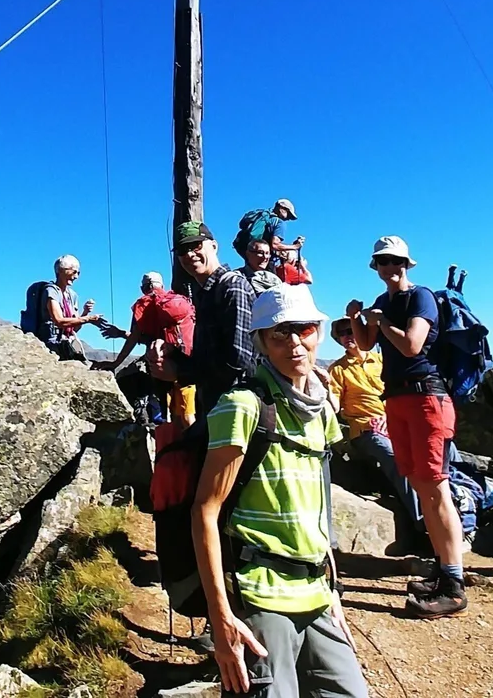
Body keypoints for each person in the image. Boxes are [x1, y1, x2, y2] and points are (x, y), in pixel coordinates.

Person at [193, 283, 367, 698]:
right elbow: (205, 510)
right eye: (279, 333)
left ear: (318, 332)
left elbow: (318, 507)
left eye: (303, 329)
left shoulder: (322, 408)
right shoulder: (243, 405)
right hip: (259, 591)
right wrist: (221, 622)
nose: (294, 342)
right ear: (261, 342)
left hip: (315, 591)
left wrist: (333, 591)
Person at [346, 236, 467, 617]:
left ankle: (454, 582)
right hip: (397, 398)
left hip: (426, 397)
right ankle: (443, 570)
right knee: (421, 484)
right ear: (376, 266)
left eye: (395, 261)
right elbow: (367, 345)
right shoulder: (383, 302)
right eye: (383, 262)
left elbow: (412, 345)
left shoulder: (422, 298)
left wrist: (382, 323)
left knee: (435, 487)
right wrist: (357, 320)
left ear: (406, 264)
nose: (389, 267)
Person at [321, 317, 422, 549]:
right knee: (398, 460)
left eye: (351, 331)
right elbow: (335, 407)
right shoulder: (337, 370)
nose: (347, 336)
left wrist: (391, 418)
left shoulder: (382, 360)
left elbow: (401, 390)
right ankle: (424, 525)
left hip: (397, 422)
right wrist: (326, 387)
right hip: (365, 431)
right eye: (342, 334)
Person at [160, 222, 258, 399]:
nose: (189, 254)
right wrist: (171, 353)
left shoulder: (232, 288)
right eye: (182, 250)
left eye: (195, 245)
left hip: (235, 407)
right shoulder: (205, 294)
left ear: (214, 246)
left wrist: (180, 372)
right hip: (215, 407)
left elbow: (239, 362)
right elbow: (208, 357)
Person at [103, 272, 197, 427]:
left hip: (159, 367)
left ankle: (172, 446)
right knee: (188, 412)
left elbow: (135, 337)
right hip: (185, 363)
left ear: (144, 287)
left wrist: (115, 363)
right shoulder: (177, 301)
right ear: (162, 285)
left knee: (166, 415)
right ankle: (193, 445)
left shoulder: (144, 304)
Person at [42, 255, 102, 361]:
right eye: (74, 272)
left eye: (78, 273)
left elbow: (75, 328)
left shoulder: (72, 296)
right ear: (60, 271)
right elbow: (59, 321)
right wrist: (88, 319)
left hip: (67, 344)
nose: (76, 277)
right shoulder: (51, 292)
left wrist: (85, 313)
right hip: (50, 345)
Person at [231, 198, 305, 267]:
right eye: (289, 215)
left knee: (250, 273)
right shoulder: (279, 223)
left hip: (247, 250)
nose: (288, 219)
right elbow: (275, 245)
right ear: (282, 209)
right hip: (263, 257)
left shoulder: (262, 216)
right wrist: (295, 246)